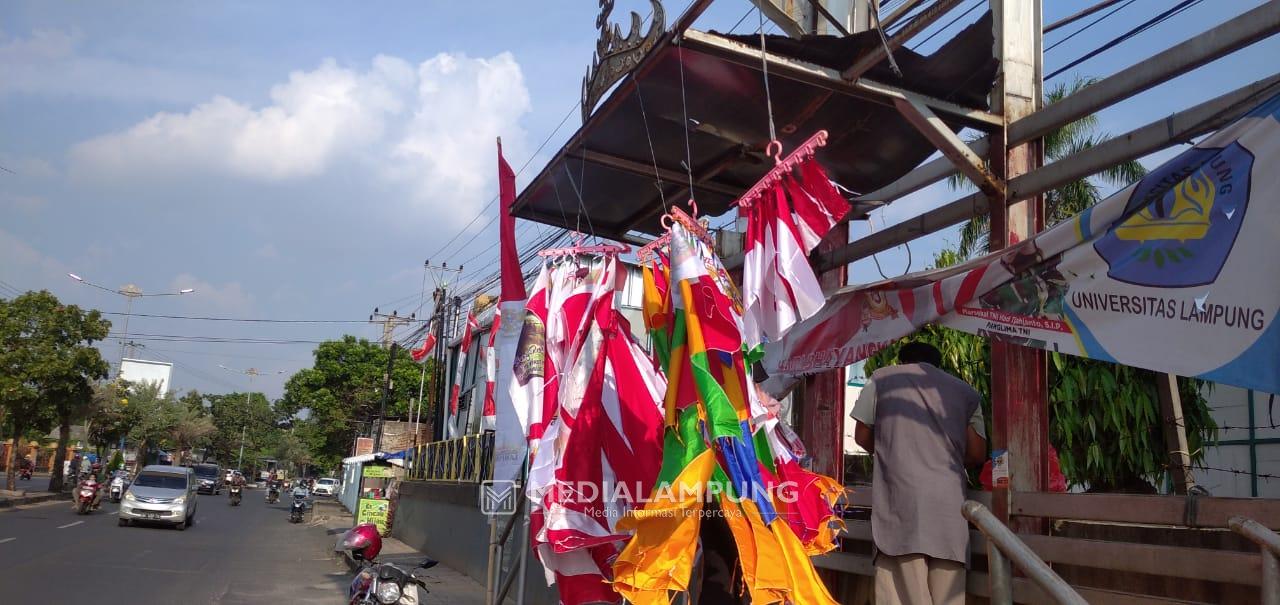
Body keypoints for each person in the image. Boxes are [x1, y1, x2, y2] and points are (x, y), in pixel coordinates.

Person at [850, 342, 987, 605]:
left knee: (901, 592)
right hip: (950, 511)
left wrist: (889, 450)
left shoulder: (881, 379)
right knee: (949, 595)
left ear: (901, 361)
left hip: (901, 508)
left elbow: (862, 435)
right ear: (938, 365)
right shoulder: (966, 393)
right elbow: (978, 453)